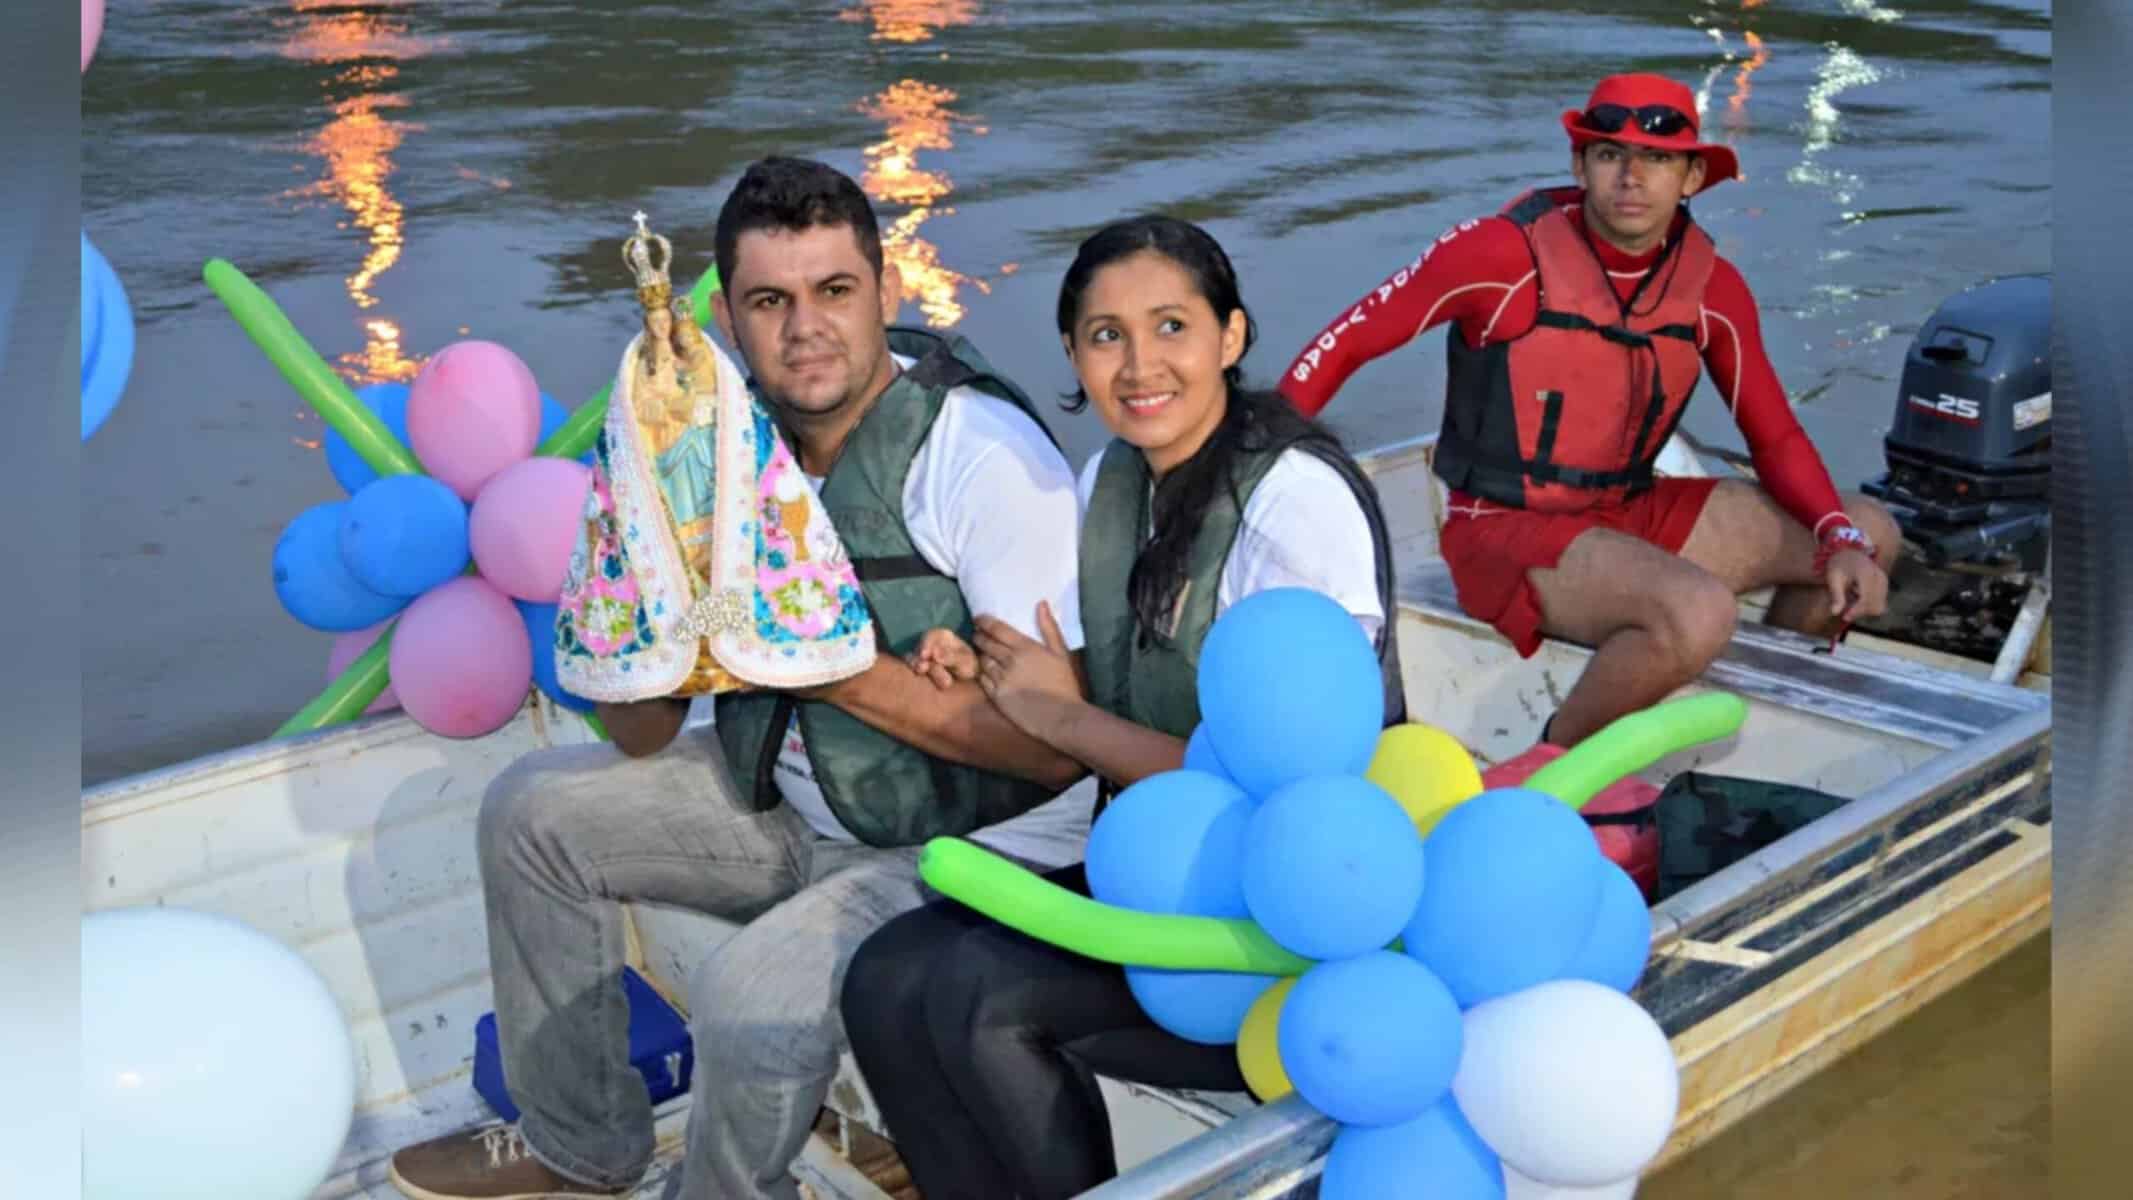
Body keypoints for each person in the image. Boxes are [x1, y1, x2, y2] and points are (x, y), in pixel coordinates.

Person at [386, 156, 1093, 1200]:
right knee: (531, 812)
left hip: (966, 847)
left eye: (834, 291)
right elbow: (640, 736)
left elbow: (1057, 754)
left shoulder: (981, 459)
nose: (805, 329)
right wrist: (642, 601)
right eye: (770, 302)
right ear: (727, 316)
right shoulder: (710, 446)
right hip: (792, 804)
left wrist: (809, 660)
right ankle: (582, 1146)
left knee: (746, 991)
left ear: (886, 291)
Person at [838, 214, 1404, 1200]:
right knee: (885, 975)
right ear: (1072, 353)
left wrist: (1061, 719)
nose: (1140, 366)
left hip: (1297, 927)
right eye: (1107, 336)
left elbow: (1291, 799)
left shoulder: (1292, 502)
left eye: (1171, 327)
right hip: (1167, 875)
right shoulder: (1113, 479)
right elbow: (1102, 678)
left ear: (1231, 335)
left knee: (980, 999)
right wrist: (983, 668)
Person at [1278, 73, 1901, 749]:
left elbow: (1773, 433)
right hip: (1504, 530)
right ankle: (1553, 764)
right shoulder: (1498, 254)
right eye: (1609, 155)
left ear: (1691, 176)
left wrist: (1839, 539)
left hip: (1628, 509)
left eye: (1656, 158)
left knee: (1868, 531)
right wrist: (1258, 458)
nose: (1631, 177)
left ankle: (1766, 721)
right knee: (1699, 610)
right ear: (1580, 166)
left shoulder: (1711, 289)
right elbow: (1348, 342)